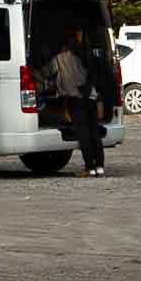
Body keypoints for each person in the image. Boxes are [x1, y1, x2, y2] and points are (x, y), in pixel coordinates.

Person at [44, 27, 108, 177]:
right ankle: (100, 167)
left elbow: (46, 72)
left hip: (75, 100)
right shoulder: (84, 56)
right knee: (94, 133)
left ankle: (89, 167)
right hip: (90, 98)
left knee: (83, 134)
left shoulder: (59, 59)